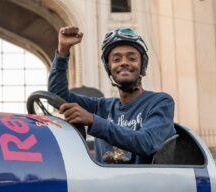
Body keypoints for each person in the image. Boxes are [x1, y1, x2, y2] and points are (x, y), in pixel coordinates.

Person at [49, 26, 176, 164]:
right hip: (105, 183)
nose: (124, 63)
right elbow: (57, 95)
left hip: (144, 184)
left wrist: (93, 120)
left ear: (142, 66)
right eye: (116, 60)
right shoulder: (101, 106)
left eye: (132, 58)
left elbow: (147, 142)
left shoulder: (160, 102)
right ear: (109, 69)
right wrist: (62, 52)